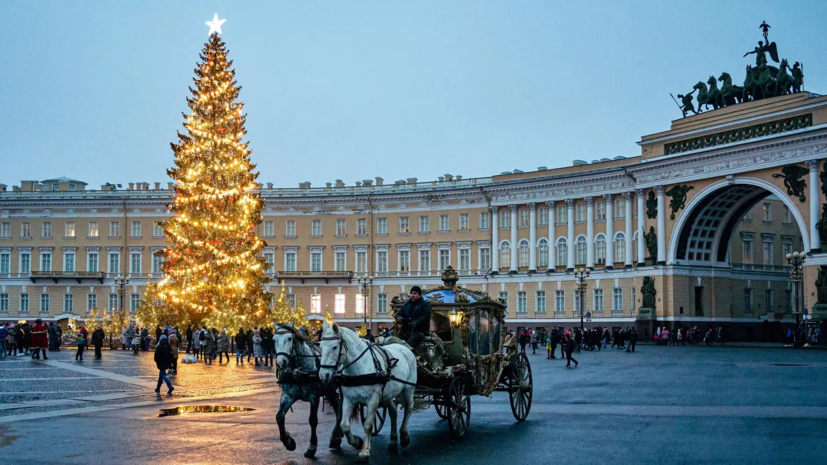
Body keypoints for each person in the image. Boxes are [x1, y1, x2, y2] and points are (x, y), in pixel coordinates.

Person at [394, 286, 432, 351]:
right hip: (405, 331)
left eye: (415, 293)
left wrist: (416, 323)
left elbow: (425, 317)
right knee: (395, 341)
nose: (412, 295)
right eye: (411, 293)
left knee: (409, 345)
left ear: (419, 295)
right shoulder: (406, 305)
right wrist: (399, 318)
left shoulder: (425, 305)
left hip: (419, 332)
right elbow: (399, 314)